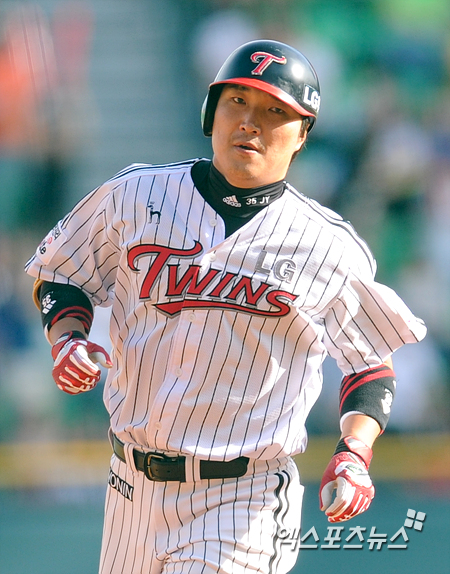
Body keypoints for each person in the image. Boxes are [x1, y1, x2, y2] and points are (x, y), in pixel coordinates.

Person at [25, 40, 426, 574]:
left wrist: (355, 452)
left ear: (302, 135)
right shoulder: (135, 196)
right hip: (129, 487)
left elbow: (370, 365)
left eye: (275, 111)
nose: (250, 123)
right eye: (237, 101)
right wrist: (67, 338)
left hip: (243, 498)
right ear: (210, 112)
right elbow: (63, 273)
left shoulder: (328, 246)